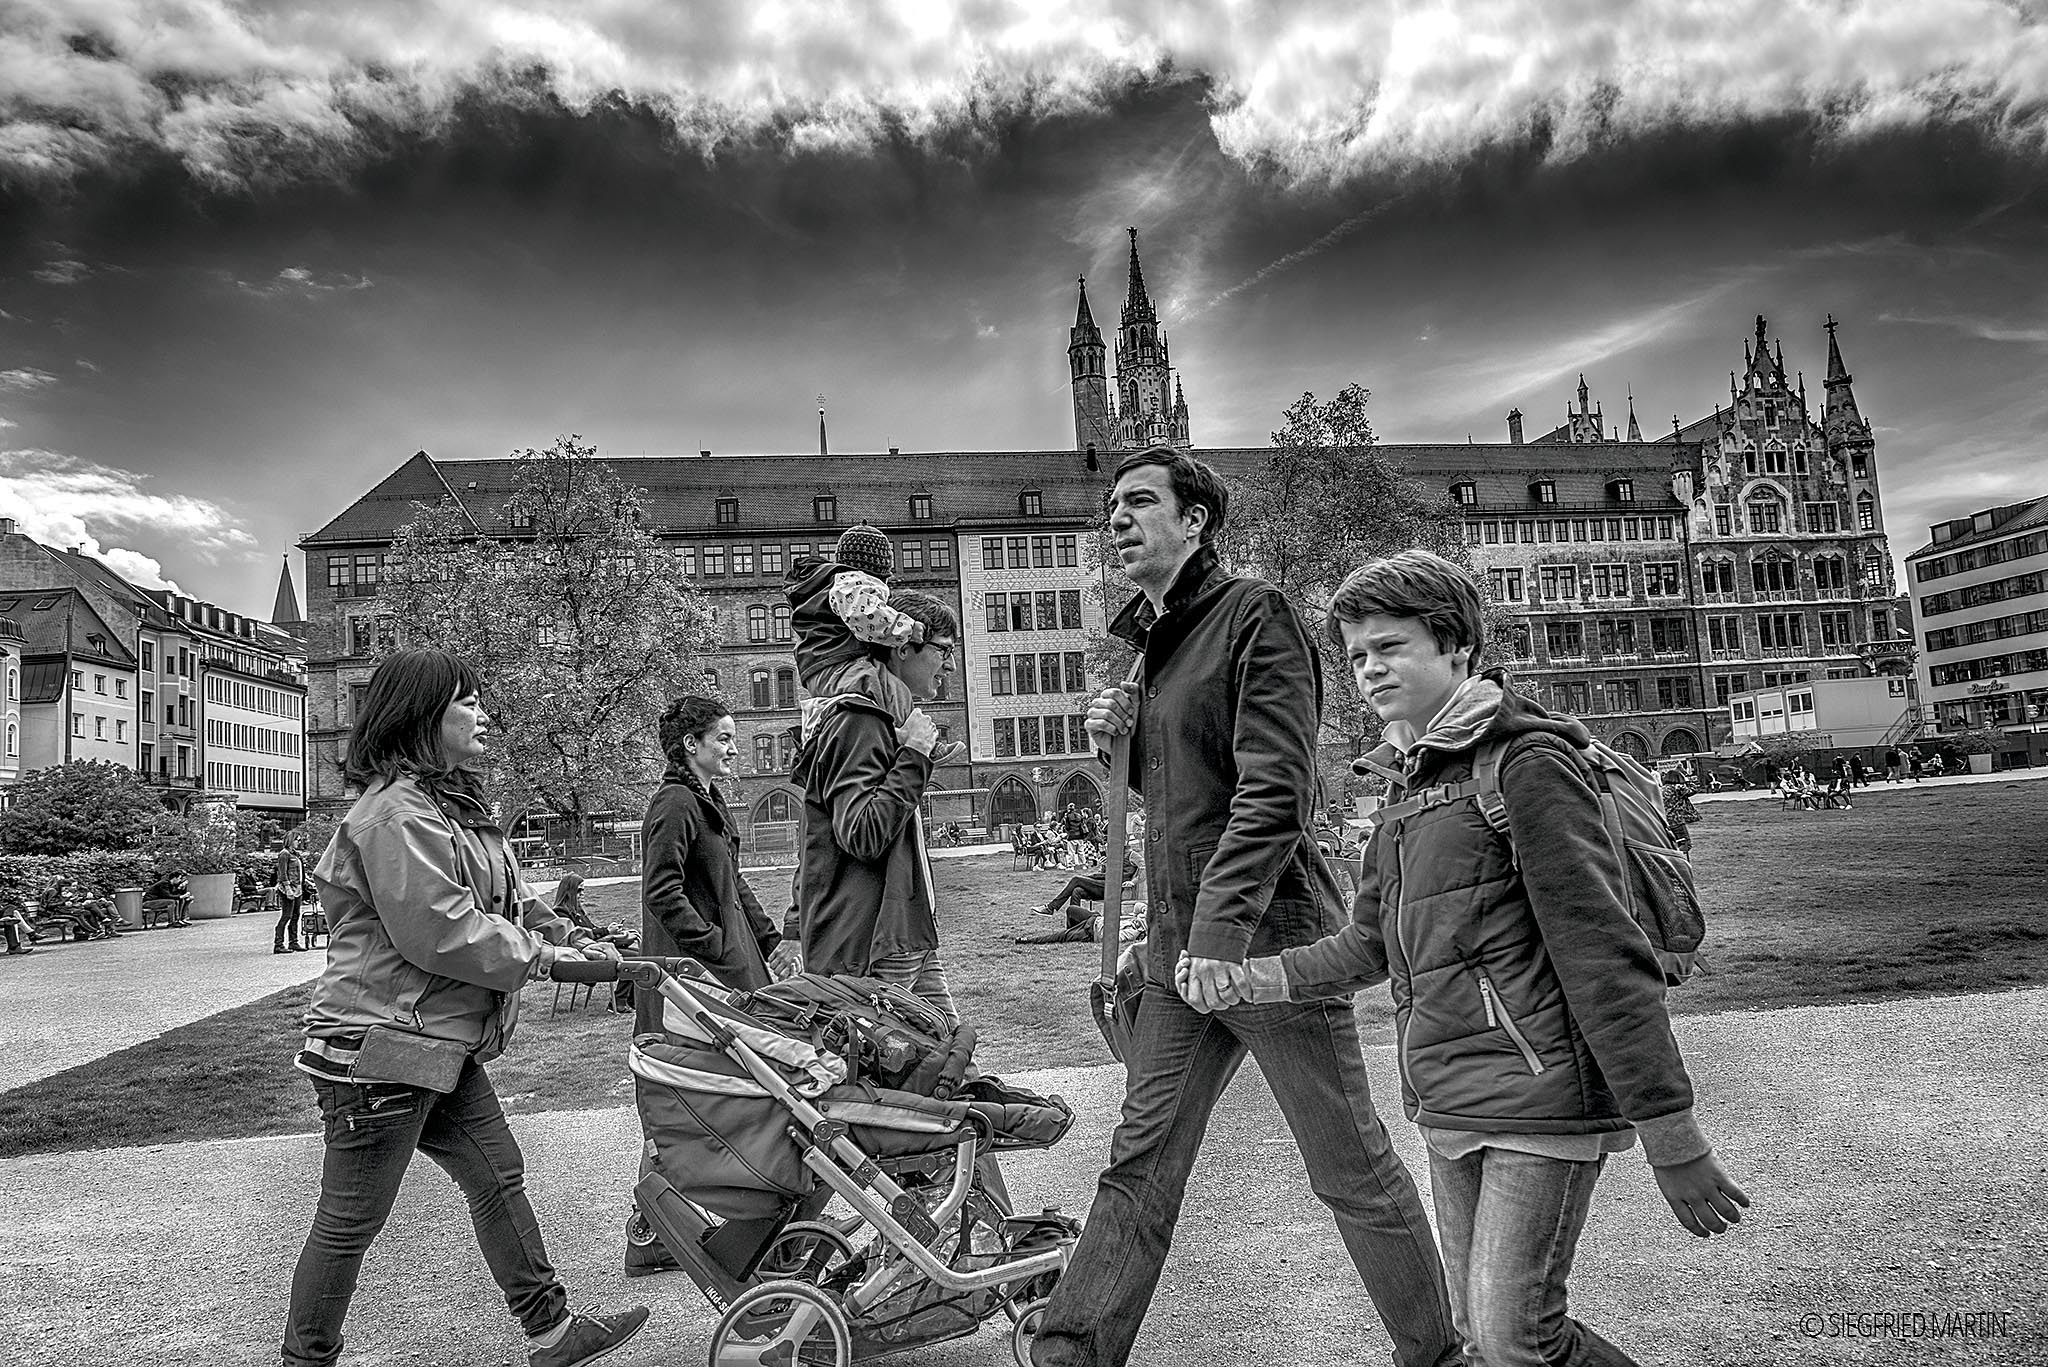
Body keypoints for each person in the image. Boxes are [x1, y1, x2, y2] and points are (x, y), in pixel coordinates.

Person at [1233, 549, 1749, 1367]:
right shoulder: (1406, 783)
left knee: (1517, 1336)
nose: (1369, 670)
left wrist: (1671, 1132)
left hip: (1543, 1097)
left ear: (1457, 647)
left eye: (1390, 646)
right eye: (1357, 655)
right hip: (1450, 1103)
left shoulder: (1527, 763)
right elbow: (1370, 943)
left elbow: (1602, 953)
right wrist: (1252, 976)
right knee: (1478, 1337)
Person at [1033, 448, 1457, 1367]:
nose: (1117, 518)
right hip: (1181, 952)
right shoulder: (1157, 643)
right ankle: (1072, 1351)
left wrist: (1221, 938)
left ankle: (1438, 1353)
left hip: (1266, 943)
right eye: (1111, 505)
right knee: (1139, 1165)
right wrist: (1122, 749)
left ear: (1195, 520)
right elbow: (1187, 794)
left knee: (1348, 1167)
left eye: (1139, 501)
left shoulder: (1253, 615)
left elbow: (1274, 790)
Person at [281, 647, 647, 1367]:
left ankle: (552, 1332)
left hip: (433, 1043)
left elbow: (509, 900)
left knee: (497, 1174)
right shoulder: (392, 816)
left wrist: (572, 937)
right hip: (380, 1049)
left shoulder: (451, 807)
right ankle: (305, 1361)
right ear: (423, 716)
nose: (483, 715)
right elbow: (442, 929)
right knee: (351, 1220)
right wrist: (543, 960)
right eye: (467, 702)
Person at [782, 590, 964, 1017]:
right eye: (943, 650)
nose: (951, 666)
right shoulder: (859, 720)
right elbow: (862, 835)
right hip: (873, 944)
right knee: (892, 1055)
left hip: (905, 932)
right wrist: (915, 756)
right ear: (902, 648)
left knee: (949, 1048)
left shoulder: (881, 721)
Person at [636, 694, 782, 1026]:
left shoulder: (707, 800)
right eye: (724, 739)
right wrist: (716, 945)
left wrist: (769, 941)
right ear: (691, 743)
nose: (734, 750)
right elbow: (661, 892)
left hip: (728, 961)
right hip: (696, 972)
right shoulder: (675, 802)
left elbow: (733, 880)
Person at [1028, 854, 1138, 921]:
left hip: (1115, 887)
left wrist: (1133, 882)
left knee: (1076, 879)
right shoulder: (1115, 853)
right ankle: (1074, 925)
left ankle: (1050, 908)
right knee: (1077, 891)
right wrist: (1104, 866)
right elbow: (1105, 874)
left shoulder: (1132, 855)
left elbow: (1144, 870)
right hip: (1103, 885)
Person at [273, 833, 310, 954]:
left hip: (297, 888)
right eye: (297, 840)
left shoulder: (295, 854)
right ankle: (278, 944)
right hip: (288, 889)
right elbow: (282, 873)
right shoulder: (284, 854)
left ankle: (293, 942)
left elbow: (300, 872)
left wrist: (307, 882)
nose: (299, 842)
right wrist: (287, 888)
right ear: (290, 840)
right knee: (286, 916)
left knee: (295, 915)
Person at [1661, 767, 1702, 853]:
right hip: (1676, 819)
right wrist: (1687, 780)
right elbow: (1694, 789)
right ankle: (1675, 856)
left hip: (1665, 819)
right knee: (1686, 844)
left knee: (1673, 843)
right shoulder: (1677, 787)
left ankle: (1673, 854)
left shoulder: (1662, 788)